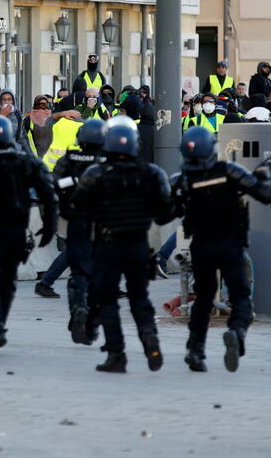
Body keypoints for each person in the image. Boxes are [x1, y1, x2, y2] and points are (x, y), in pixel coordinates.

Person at [172, 127, 271, 373]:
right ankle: (236, 331)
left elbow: (166, 210)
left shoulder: (183, 180)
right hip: (230, 245)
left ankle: (195, 350)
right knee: (241, 296)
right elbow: (265, 194)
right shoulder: (229, 171)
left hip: (202, 247)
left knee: (203, 298)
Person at [71, 119, 173, 373]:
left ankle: (116, 354)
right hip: (138, 245)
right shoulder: (152, 174)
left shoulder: (96, 174)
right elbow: (164, 215)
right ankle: (150, 338)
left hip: (107, 246)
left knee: (108, 301)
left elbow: (77, 206)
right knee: (140, 298)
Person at [0, 115, 56, 354]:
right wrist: (49, 226)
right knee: (7, 279)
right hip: (15, 230)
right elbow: (48, 194)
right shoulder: (25, 162)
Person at [35, 119, 104, 346]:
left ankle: (79, 306)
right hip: (105, 224)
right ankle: (91, 319)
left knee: (78, 271)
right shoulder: (108, 161)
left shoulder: (70, 159)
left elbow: (54, 184)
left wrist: (73, 182)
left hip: (77, 220)